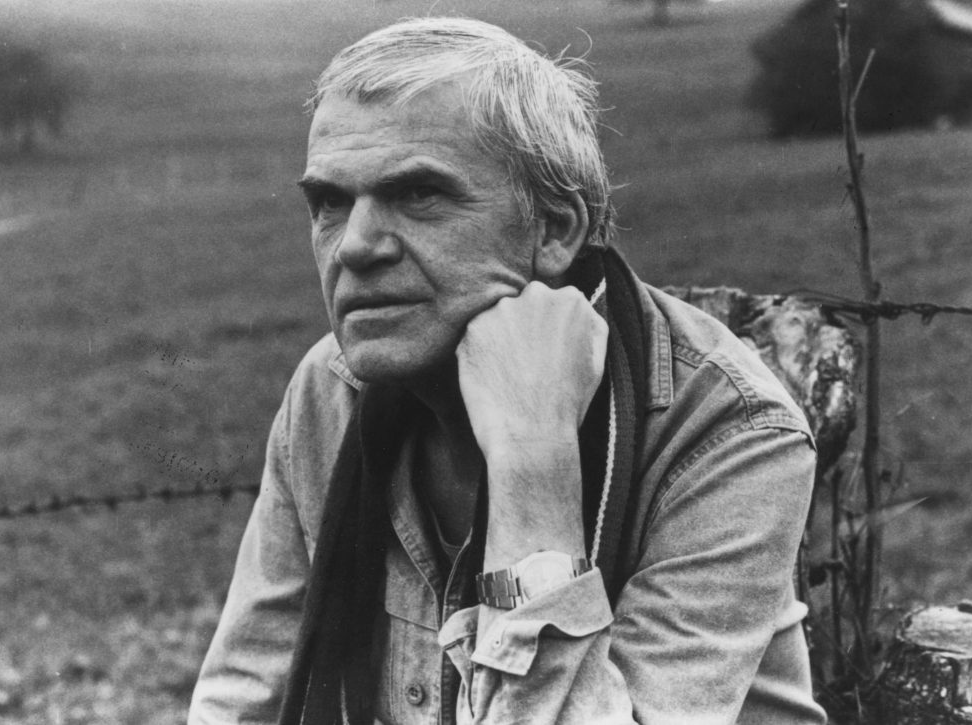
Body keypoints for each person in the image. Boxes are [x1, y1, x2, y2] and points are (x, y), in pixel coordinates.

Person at [188, 17, 827, 725]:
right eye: (330, 202)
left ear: (555, 229)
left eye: (418, 195)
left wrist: (533, 455)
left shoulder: (727, 433)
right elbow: (242, 699)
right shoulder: (330, 391)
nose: (355, 247)